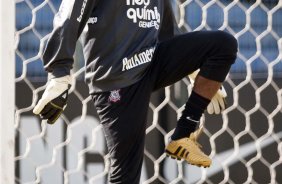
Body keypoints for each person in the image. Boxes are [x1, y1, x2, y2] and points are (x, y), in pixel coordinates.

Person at [33, 0, 238, 183]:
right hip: (115, 79)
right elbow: (70, 13)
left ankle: (183, 134)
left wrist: (194, 71)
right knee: (126, 176)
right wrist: (59, 73)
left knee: (223, 45)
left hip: (151, 61)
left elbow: (168, 30)